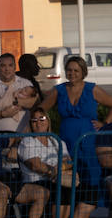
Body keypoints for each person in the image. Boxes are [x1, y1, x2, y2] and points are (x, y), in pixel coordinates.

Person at [37, 55, 112, 208]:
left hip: (89, 141)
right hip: (66, 142)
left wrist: (105, 124)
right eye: (69, 70)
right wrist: (43, 126)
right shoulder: (59, 90)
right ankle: (71, 216)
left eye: (76, 70)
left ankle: (88, 217)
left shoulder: (92, 89)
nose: (72, 73)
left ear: (83, 72)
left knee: (91, 176)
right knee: (69, 177)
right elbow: (41, 110)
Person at [18, 108, 84, 218]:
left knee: (79, 187)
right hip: (36, 180)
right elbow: (35, 165)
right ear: (30, 124)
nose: (38, 122)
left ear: (47, 121)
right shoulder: (28, 141)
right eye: (34, 120)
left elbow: (68, 162)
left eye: (41, 118)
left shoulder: (56, 141)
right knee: (62, 187)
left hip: (55, 177)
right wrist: (57, 170)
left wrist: (60, 169)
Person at [0, 53, 35, 134]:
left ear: (15, 68)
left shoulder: (26, 84)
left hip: (22, 135)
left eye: (10, 65)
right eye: (3, 66)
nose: (7, 69)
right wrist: (2, 114)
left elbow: (34, 103)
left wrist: (14, 101)